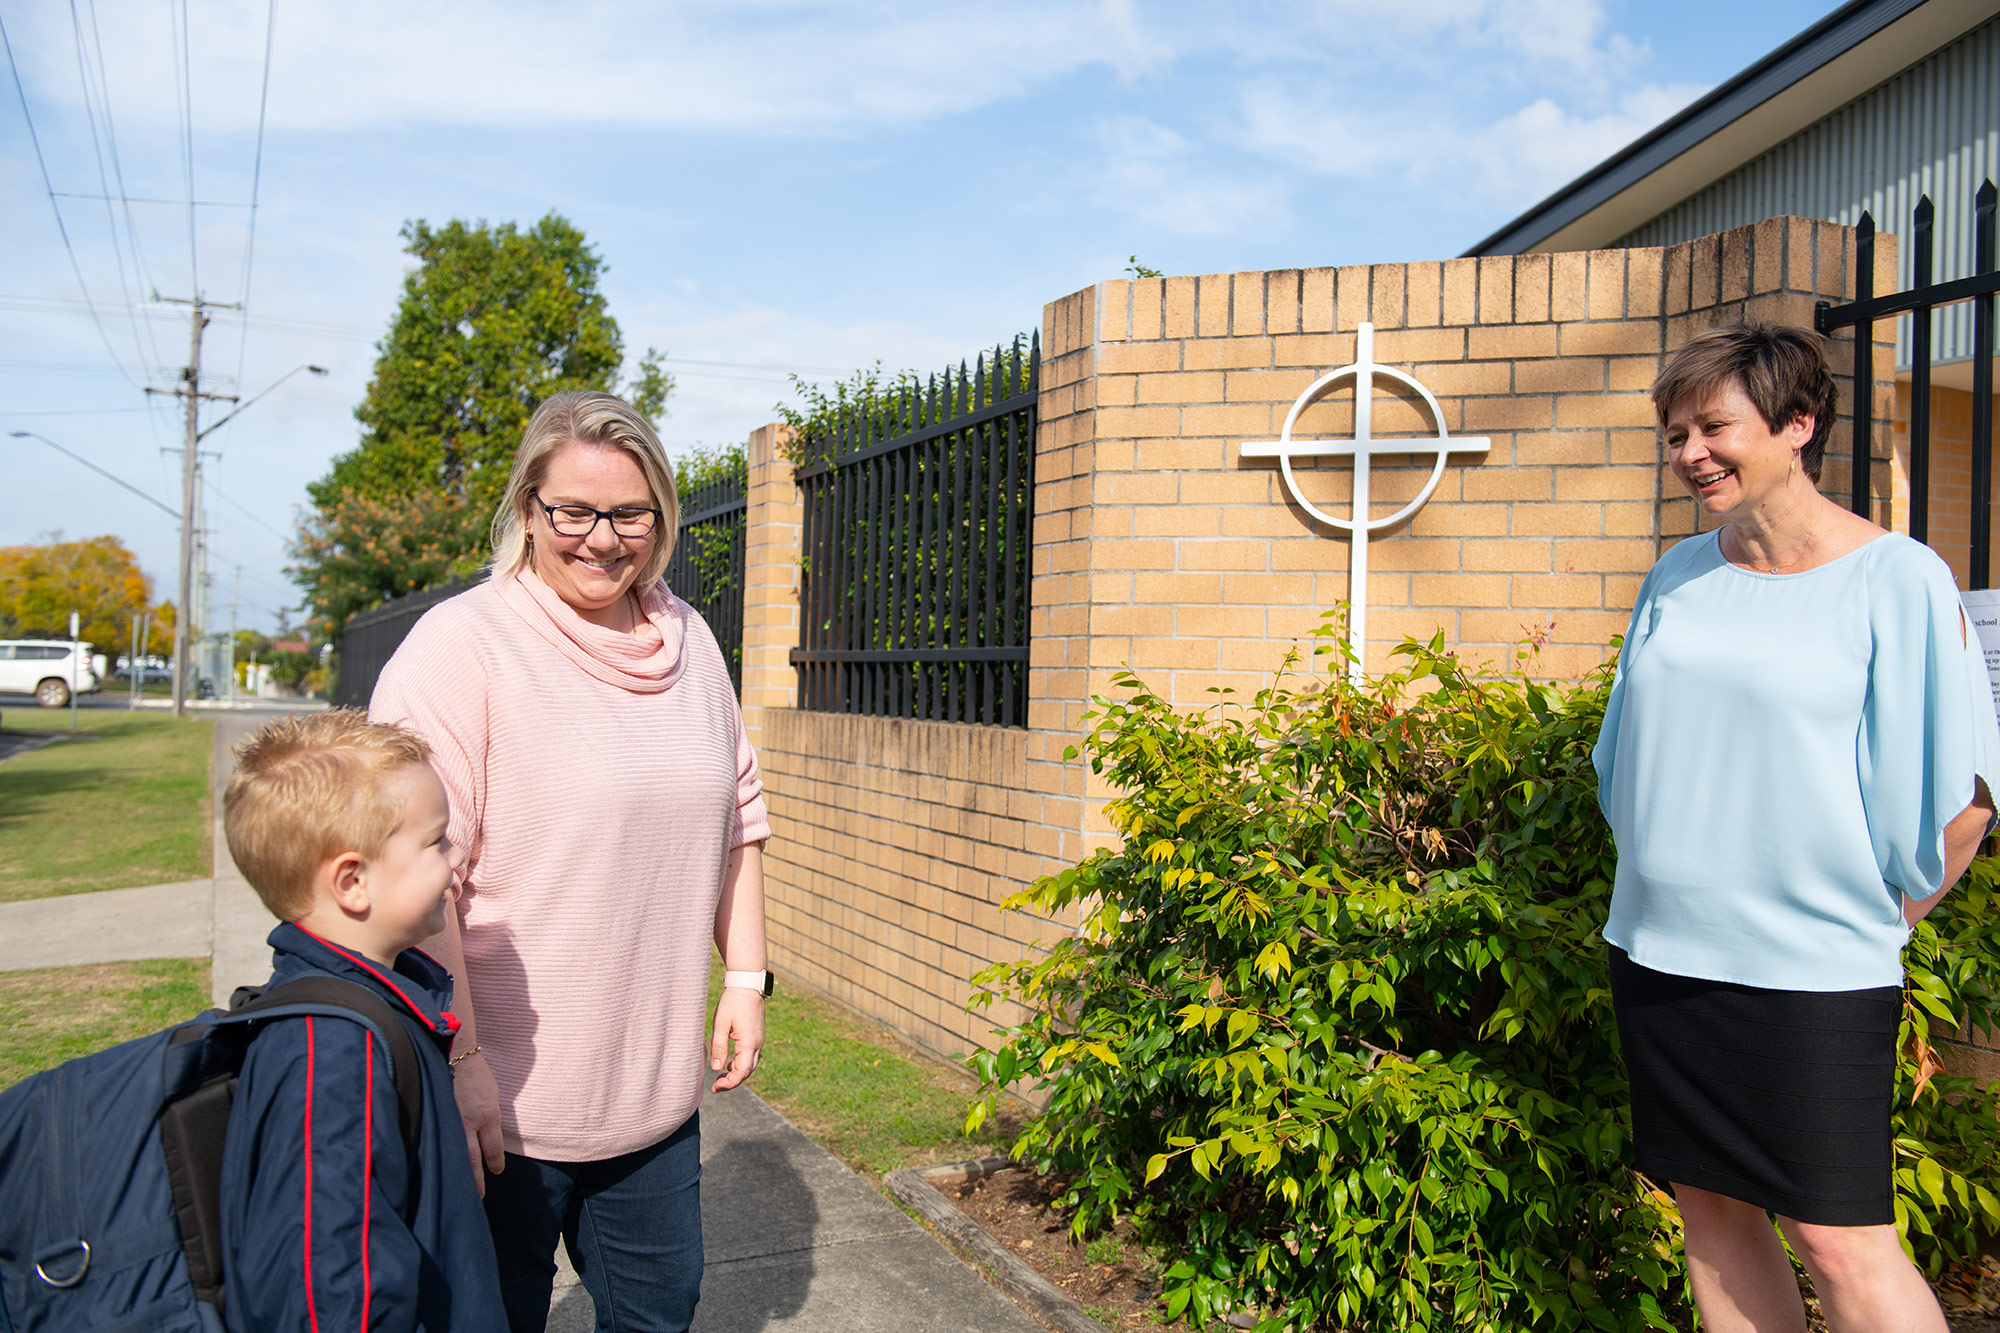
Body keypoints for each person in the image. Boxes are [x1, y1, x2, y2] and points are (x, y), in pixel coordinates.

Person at [1594, 321, 1999, 1332]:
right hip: (1659, 954)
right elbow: (1621, 760)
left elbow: (1964, 798)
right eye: (1674, 433)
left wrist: (1869, 920)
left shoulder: (1894, 578)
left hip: (1813, 966)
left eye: (1712, 426)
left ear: (1797, 424)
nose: (1689, 453)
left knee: (1840, 1242)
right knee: (1709, 1212)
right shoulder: (1674, 577)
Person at [369, 389, 772, 1333]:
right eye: (574, 511)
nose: (602, 537)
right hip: (496, 1108)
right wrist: (460, 1056)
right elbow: (415, 871)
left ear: (661, 517)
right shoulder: (462, 647)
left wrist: (747, 978)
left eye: (630, 512)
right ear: (527, 510)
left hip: (653, 1100)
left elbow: (737, 820)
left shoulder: (691, 642)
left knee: (657, 1316)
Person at [217, 709, 507, 1332]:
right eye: (436, 841)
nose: (459, 857)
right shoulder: (331, 1053)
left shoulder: (387, 999)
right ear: (353, 881)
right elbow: (329, 1289)